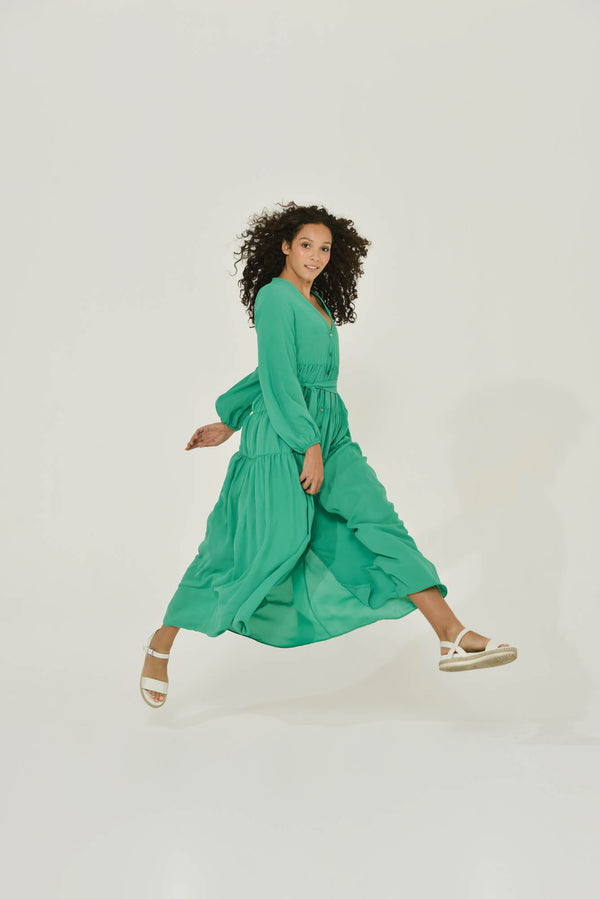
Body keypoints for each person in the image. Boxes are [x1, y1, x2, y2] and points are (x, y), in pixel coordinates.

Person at [139, 201, 517, 708]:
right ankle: (162, 641)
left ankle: (451, 634)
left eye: (324, 249)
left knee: (380, 521)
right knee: (251, 547)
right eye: (306, 246)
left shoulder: (316, 303)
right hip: (285, 437)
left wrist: (231, 417)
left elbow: (276, 369)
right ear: (284, 246)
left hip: (330, 431)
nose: (315, 256)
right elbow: (278, 375)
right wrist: (303, 443)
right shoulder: (274, 297)